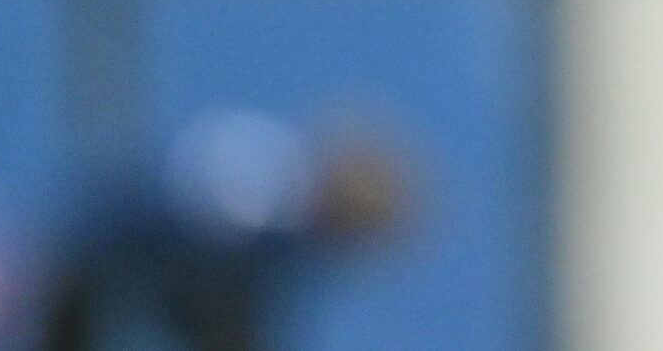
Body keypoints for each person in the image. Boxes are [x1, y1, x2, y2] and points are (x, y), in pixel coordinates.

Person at [34, 109, 407, 351]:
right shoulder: (265, 194)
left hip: (104, 286)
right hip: (67, 270)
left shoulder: (284, 241)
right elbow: (142, 221)